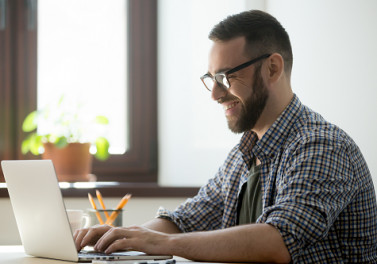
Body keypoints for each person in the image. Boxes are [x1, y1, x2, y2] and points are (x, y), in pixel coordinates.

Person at [74, 10, 377, 263]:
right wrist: (122, 237)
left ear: (272, 68)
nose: (216, 94)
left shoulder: (322, 145)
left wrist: (156, 243)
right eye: (212, 78)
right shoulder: (243, 154)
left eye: (226, 77)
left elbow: (279, 240)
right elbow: (184, 222)